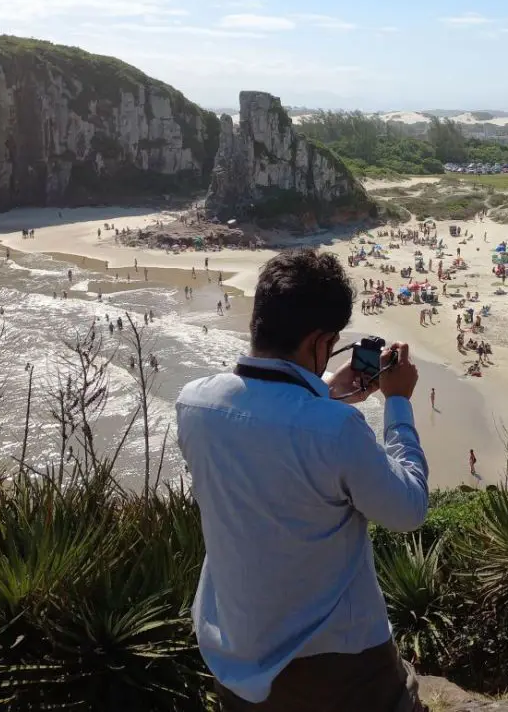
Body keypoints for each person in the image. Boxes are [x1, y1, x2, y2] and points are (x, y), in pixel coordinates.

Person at [176, 249, 429, 711]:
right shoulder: (336, 430)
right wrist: (397, 402)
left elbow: (269, 429)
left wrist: (327, 391)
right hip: (338, 666)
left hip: (235, 654)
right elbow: (409, 509)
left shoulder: (195, 404)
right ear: (319, 341)